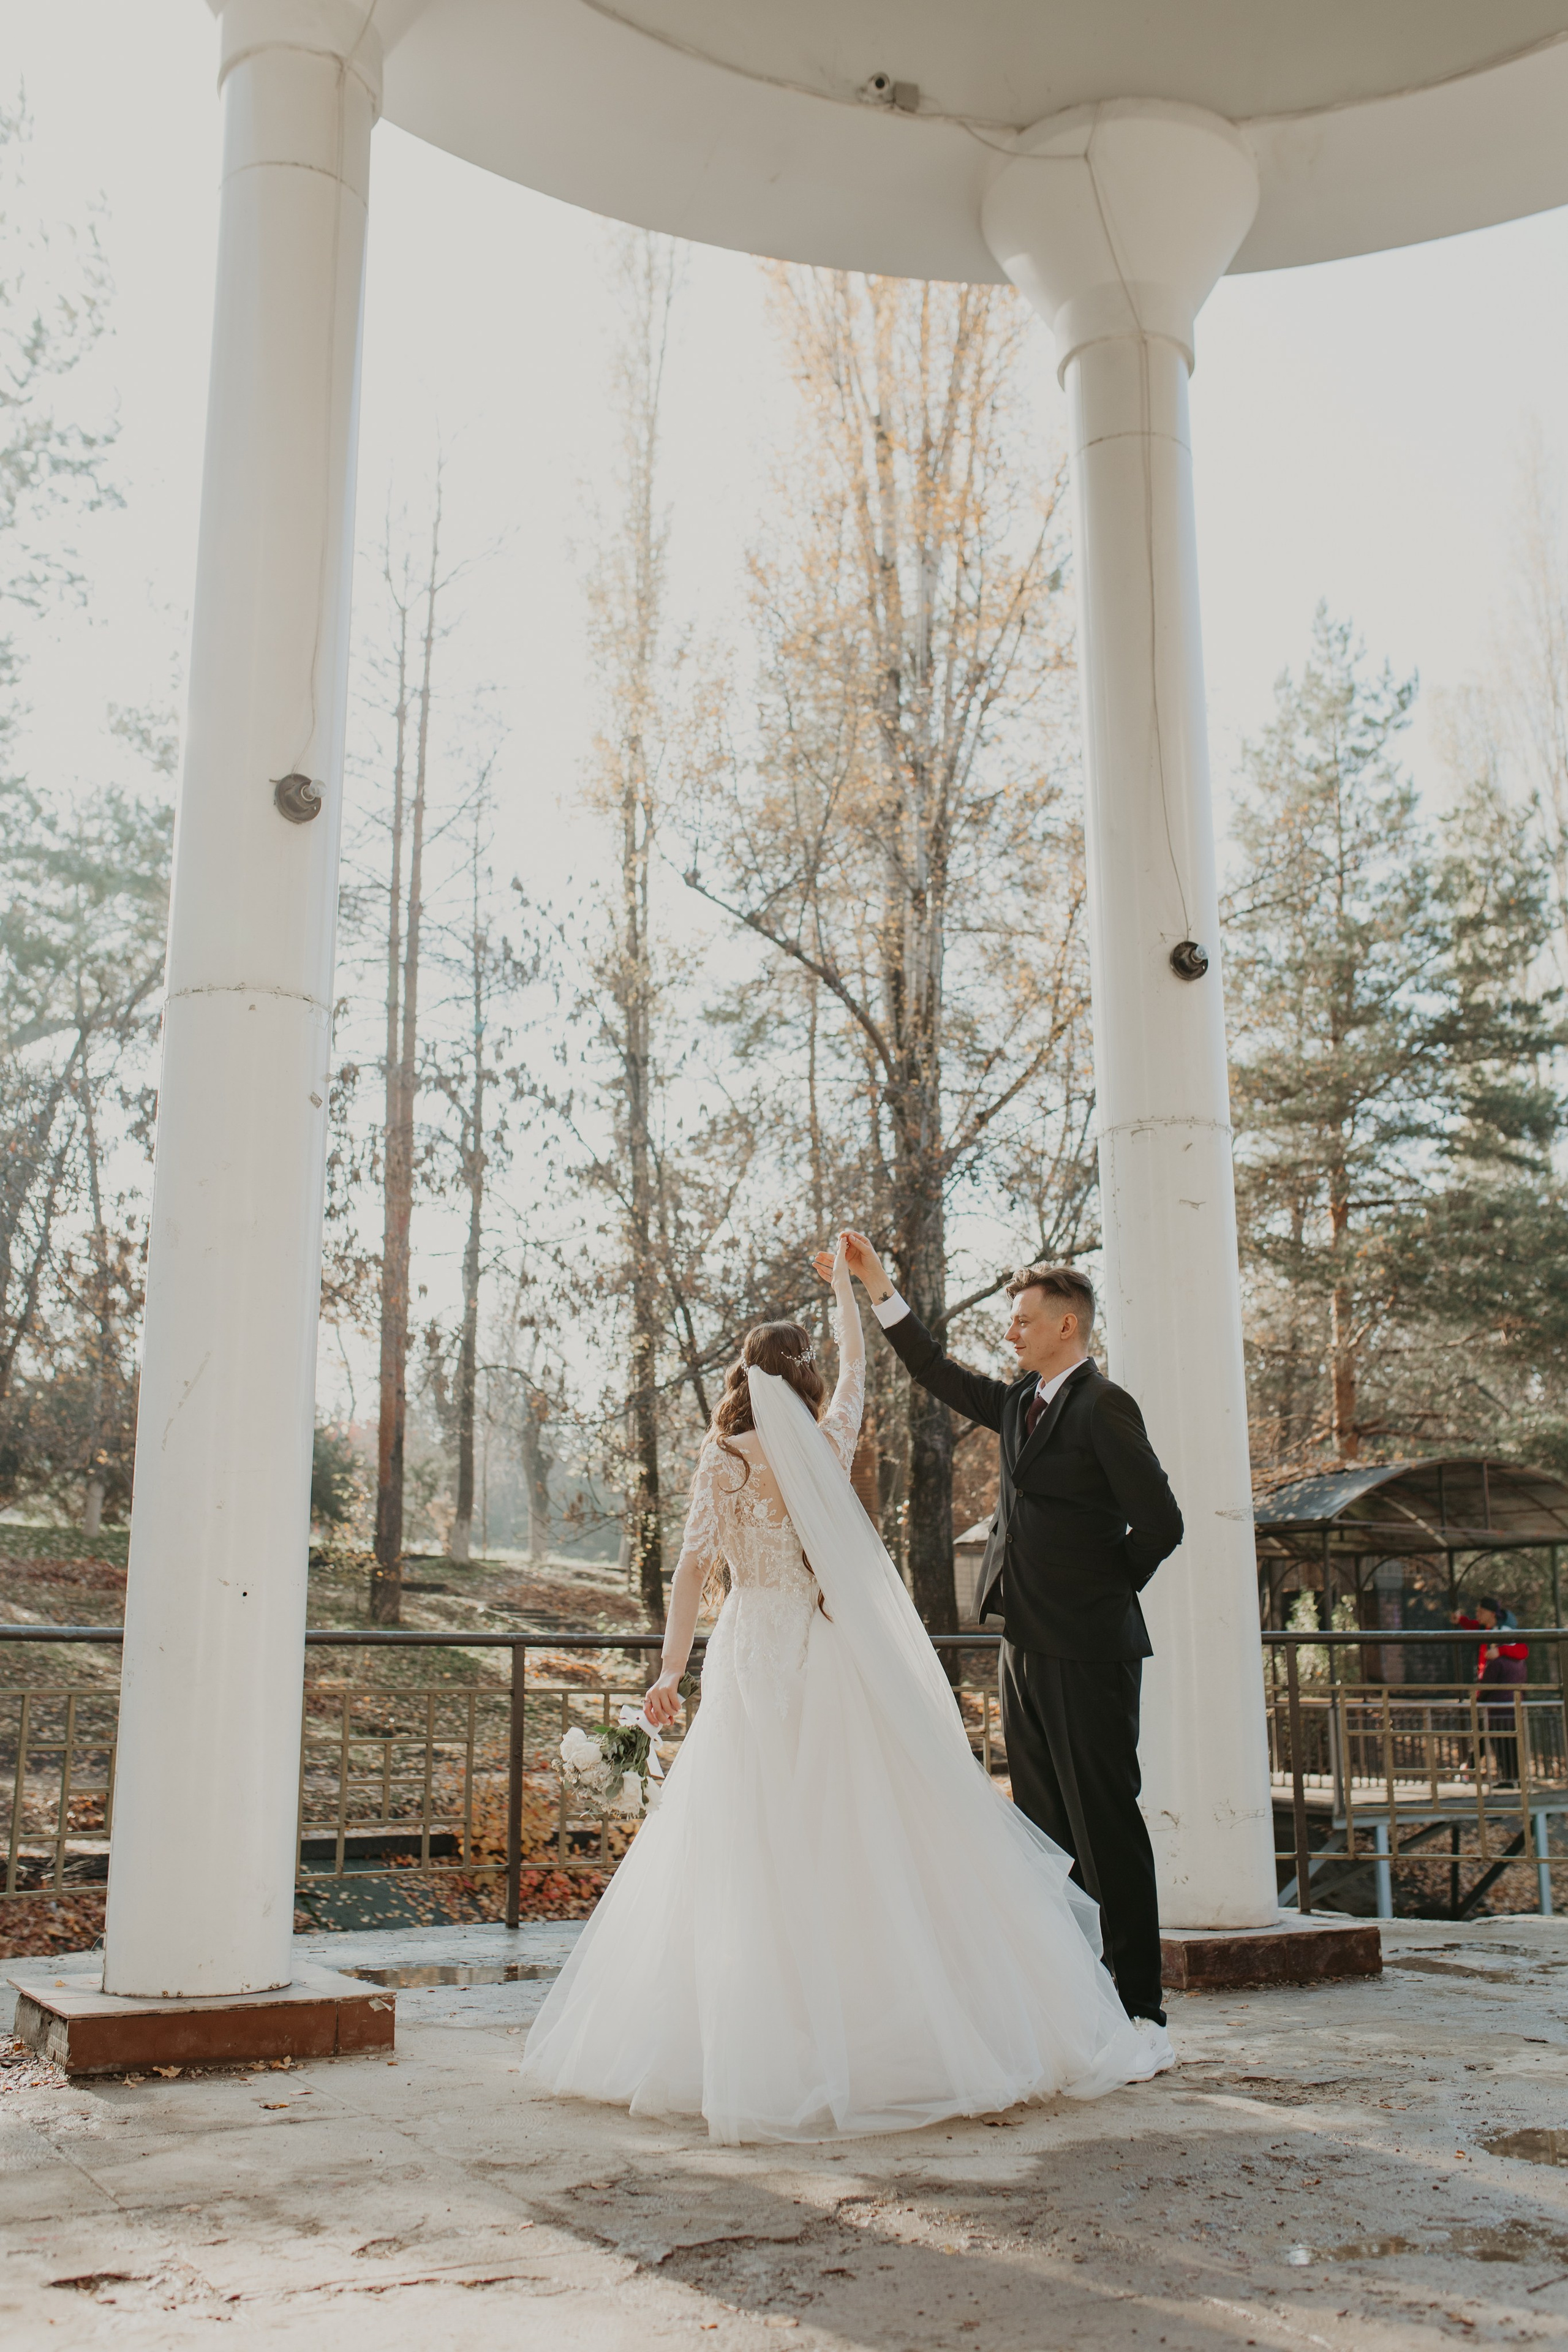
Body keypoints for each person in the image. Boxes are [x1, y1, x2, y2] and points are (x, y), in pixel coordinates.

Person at [521, 1240, 1165, 2144]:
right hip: (822, 1656)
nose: (1013, 1331)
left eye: (1026, 1319)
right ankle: (907, 2009)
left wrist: (669, 1672)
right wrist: (852, 1298)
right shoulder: (825, 1444)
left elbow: (690, 1573)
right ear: (802, 1377)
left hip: (750, 1653)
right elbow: (867, 1369)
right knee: (853, 1829)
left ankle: (753, 2027)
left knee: (746, 1833)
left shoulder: (719, 1461)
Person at [835, 1232, 1182, 2039]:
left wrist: (1097, 1594)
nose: (1011, 1331)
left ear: (1066, 1325)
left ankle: (1139, 2005)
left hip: (1090, 1647)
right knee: (1043, 1830)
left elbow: (1161, 1523)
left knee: (1105, 1826)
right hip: (1022, 1641)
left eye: (1023, 1320)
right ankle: (1072, 1999)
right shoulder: (1019, 1403)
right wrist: (877, 1285)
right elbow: (933, 1369)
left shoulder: (1104, 1405)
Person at [1453, 1596, 1529, 1786]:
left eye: (1481, 1612)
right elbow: (1473, 1626)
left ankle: (1475, 1770)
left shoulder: (1503, 1633)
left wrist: (1500, 1652)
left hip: (1498, 1702)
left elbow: (1522, 1650)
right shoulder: (1485, 1629)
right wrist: (1460, 1620)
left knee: (1494, 1737)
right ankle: (1474, 1769)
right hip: (1497, 1700)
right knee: (1485, 1734)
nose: (1477, 1615)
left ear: (1492, 1614)